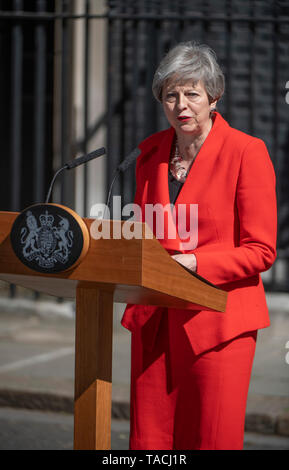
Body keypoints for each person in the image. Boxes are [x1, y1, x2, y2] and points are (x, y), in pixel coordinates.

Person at [121, 41, 277, 450]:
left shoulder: (247, 152)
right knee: (150, 440)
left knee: (210, 436)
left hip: (217, 322)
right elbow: (144, 230)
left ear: (214, 97)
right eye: (170, 95)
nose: (181, 105)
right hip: (156, 318)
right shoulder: (149, 153)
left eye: (192, 93)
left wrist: (194, 261)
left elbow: (261, 250)